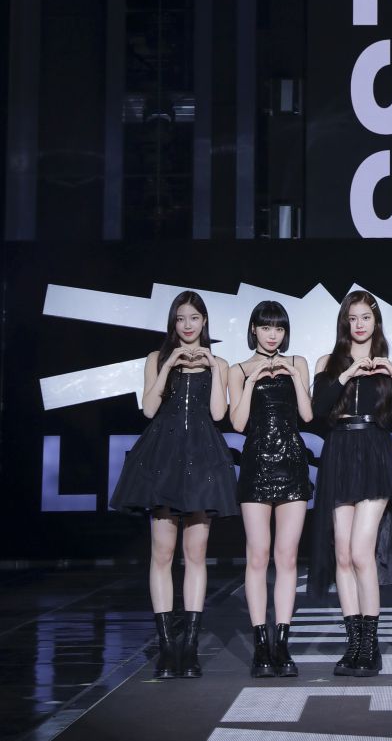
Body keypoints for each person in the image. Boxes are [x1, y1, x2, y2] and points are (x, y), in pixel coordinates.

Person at [110, 290, 237, 679]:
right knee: (162, 553)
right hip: (163, 458)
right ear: (173, 322)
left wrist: (212, 367)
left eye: (194, 318)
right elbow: (149, 409)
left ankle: (190, 647)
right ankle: (167, 648)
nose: (187, 325)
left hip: (202, 458)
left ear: (204, 322)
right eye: (181, 318)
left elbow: (219, 413)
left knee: (195, 554)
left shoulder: (219, 363)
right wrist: (169, 365)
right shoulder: (156, 358)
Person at [307, 290, 392, 677]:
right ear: (345, 322)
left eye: (366, 317)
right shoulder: (328, 362)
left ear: (375, 321)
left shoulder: (386, 364)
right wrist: (346, 375)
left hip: (375, 453)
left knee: (362, 552)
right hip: (339, 451)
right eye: (353, 318)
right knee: (342, 555)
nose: (360, 324)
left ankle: (370, 645)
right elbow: (318, 411)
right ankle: (353, 644)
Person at [229, 301, 313, 678]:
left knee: (287, 556)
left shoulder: (298, 363)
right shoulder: (237, 369)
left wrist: (293, 376)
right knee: (258, 555)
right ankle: (261, 645)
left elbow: (307, 415)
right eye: (265, 328)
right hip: (257, 463)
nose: (272, 335)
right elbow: (237, 422)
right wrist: (251, 381)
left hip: (292, 462)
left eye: (278, 328)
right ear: (253, 330)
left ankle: (282, 643)